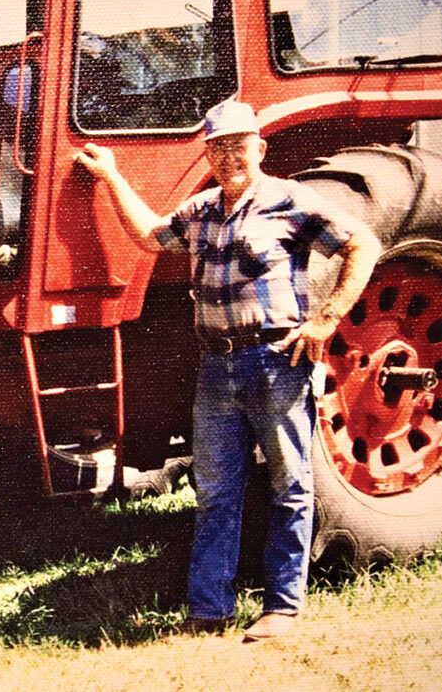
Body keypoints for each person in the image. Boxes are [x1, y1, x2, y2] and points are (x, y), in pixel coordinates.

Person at [74, 99, 381, 641]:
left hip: (276, 361)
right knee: (215, 489)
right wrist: (113, 177)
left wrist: (326, 320)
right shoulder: (202, 210)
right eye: (217, 147)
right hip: (216, 367)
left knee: (290, 483)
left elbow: (363, 242)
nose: (228, 156)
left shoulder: (291, 200)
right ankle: (209, 609)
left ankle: (283, 608)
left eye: (238, 145)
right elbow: (149, 235)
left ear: (259, 148)